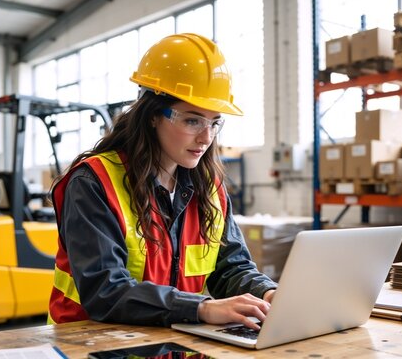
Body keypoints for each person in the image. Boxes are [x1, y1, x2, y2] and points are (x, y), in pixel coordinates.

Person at [48, 33, 277, 330]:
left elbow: (230, 268)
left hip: (171, 346)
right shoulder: (94, 183)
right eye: (192, 120)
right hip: (94, 347)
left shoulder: (210, 190)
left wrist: (269, 293)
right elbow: (106, 290)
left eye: (214, 122)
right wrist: (203, 308)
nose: (207, 138)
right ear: (153, 115)